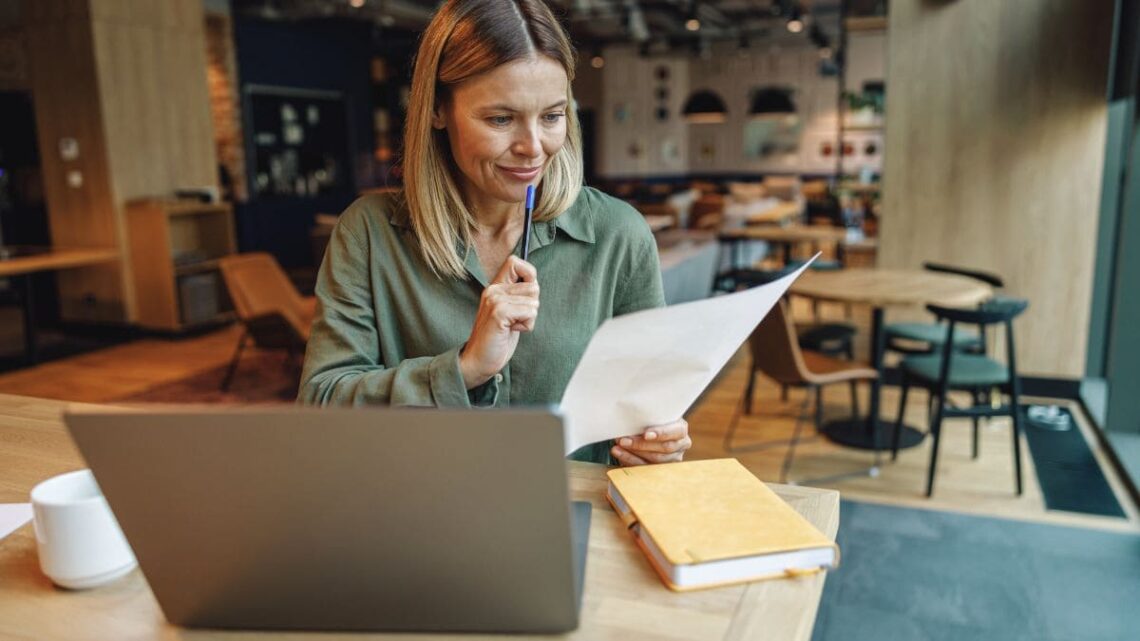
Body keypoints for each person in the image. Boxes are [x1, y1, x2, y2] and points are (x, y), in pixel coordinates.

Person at [298, 0, 691, 466]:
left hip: (574, 520)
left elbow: (645, 409)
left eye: (551, 116)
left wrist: (658, 442)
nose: (532, 148)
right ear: (438, 110)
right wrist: (463, 369)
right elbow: (321, 405)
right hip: (417, 514)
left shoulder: (618, 235)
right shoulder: (368, 233)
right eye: (500, 119)